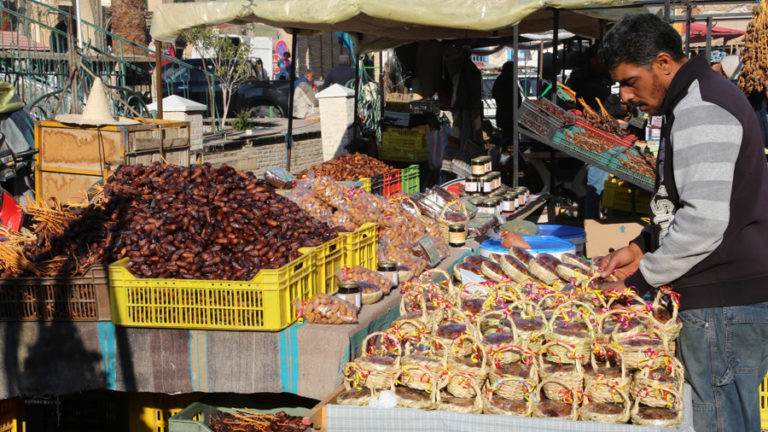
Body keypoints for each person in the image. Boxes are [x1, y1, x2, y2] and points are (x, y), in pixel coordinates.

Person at [597, 14, 768, 432]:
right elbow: (687, 201)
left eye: (631, 81)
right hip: (723, 301)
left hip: (722, 305)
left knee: (722, 422)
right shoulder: (692, 99)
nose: (625, 95)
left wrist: (641, 279)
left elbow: (703, 222)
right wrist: (642, 243)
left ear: (662, 63)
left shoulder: (702, 107)